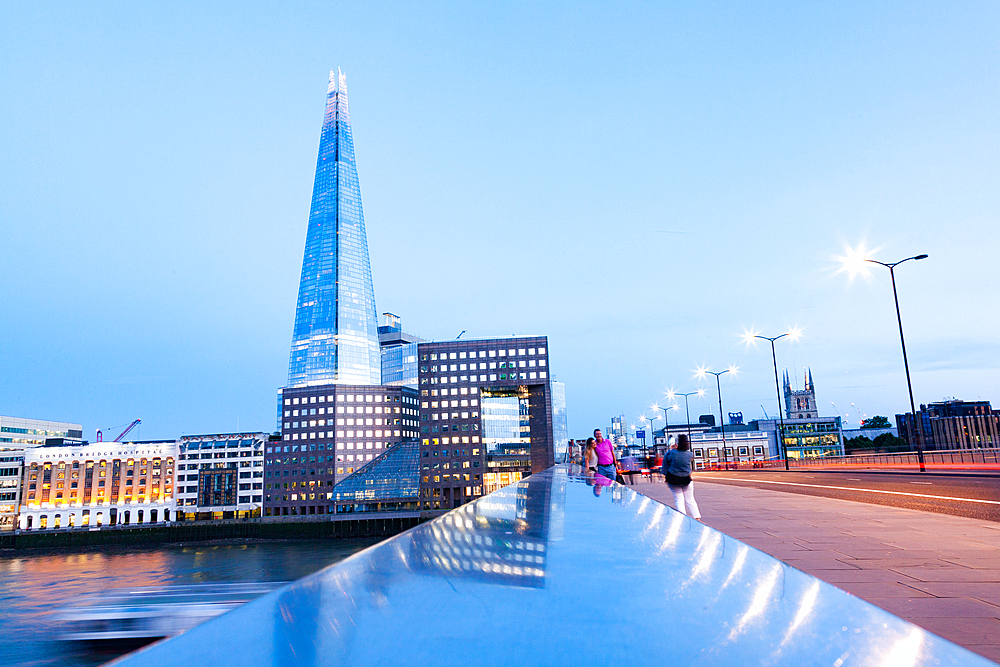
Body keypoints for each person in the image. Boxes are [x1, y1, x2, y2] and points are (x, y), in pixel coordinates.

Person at [661, 434, 701, 520]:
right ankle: (697, 518)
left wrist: (673, 449)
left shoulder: (671, 453)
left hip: (673, 479)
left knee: (679, 500)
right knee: (690, 499)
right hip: (686, 479)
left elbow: (666, 462)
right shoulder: (690, 454)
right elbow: (682, 455)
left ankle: (683, 518)